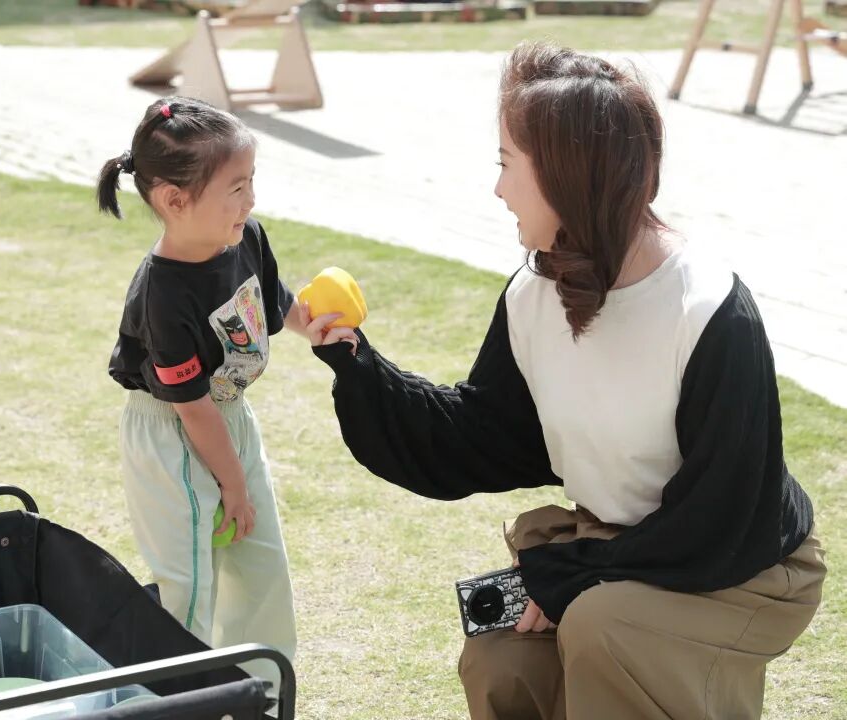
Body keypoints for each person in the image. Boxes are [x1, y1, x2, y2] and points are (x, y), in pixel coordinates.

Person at [304, 44, 826, 719]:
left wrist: (580, 575)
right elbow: (482, 435)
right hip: (619, 549)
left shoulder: (708, 310)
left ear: (566, 175)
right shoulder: (534, 292)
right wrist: (359, 364)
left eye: (505, 165)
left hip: (743, 565)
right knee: (501, 655)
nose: (497, 190)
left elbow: (723, 514)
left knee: (603, 625)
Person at [97, 96, 334, 684]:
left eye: (251, 181)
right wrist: (233, 486)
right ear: (175, 201)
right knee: (189, 583)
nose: (250, 200)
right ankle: (177, 697)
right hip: (172, 434)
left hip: (230, 419)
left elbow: (273, 301)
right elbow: (191, 408)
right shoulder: (162, 294)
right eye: (236, 187)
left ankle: (261, 691)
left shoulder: (245, 236)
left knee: (261, 566)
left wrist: (312, 326)